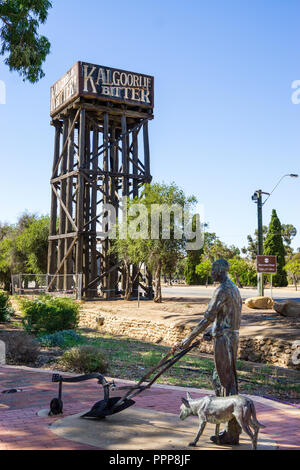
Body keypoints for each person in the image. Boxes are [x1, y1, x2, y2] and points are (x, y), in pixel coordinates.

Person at [172, 258, 242, 445]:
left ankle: (232, 431)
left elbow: (207, 318)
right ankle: (229, 427)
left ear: (220, 270)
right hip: (229, 337)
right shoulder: (234, 288)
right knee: (220, 380)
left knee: (226, 385)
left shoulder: (222, 290)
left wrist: (188, 339)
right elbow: (227, 316)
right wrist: (213, 331)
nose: (211, 272)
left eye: (213, 269)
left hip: (224, 341)